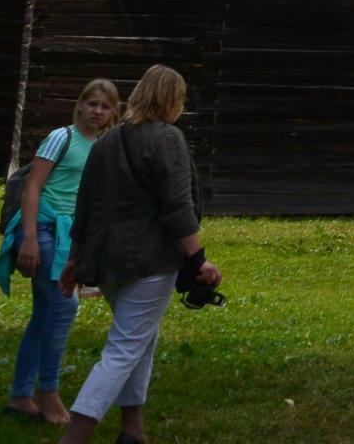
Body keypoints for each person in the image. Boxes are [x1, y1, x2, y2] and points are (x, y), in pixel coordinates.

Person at [58, 65, 223, 443]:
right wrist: (199, 261)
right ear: (173, 100)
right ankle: (73, 437)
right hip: (150, 262)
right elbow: (178, 207)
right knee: (123, 348)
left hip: (108, 260)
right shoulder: (168, 139)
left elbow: (85, 206)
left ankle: (133, 431)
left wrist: (75, 259)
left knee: (139, 340)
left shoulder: (107, 141)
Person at [0, 79, 119, 425]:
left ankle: (20, 395)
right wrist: (30, 238)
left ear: (113, 113)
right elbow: (32, 186)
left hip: (69, 235)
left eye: (105, 106)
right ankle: (47, 391)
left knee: (45, 313)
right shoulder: (60, 137)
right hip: (44, 228)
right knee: (65, 307)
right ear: (79, 105)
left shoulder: (101, 145)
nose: (97, 111)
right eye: (91, 104)